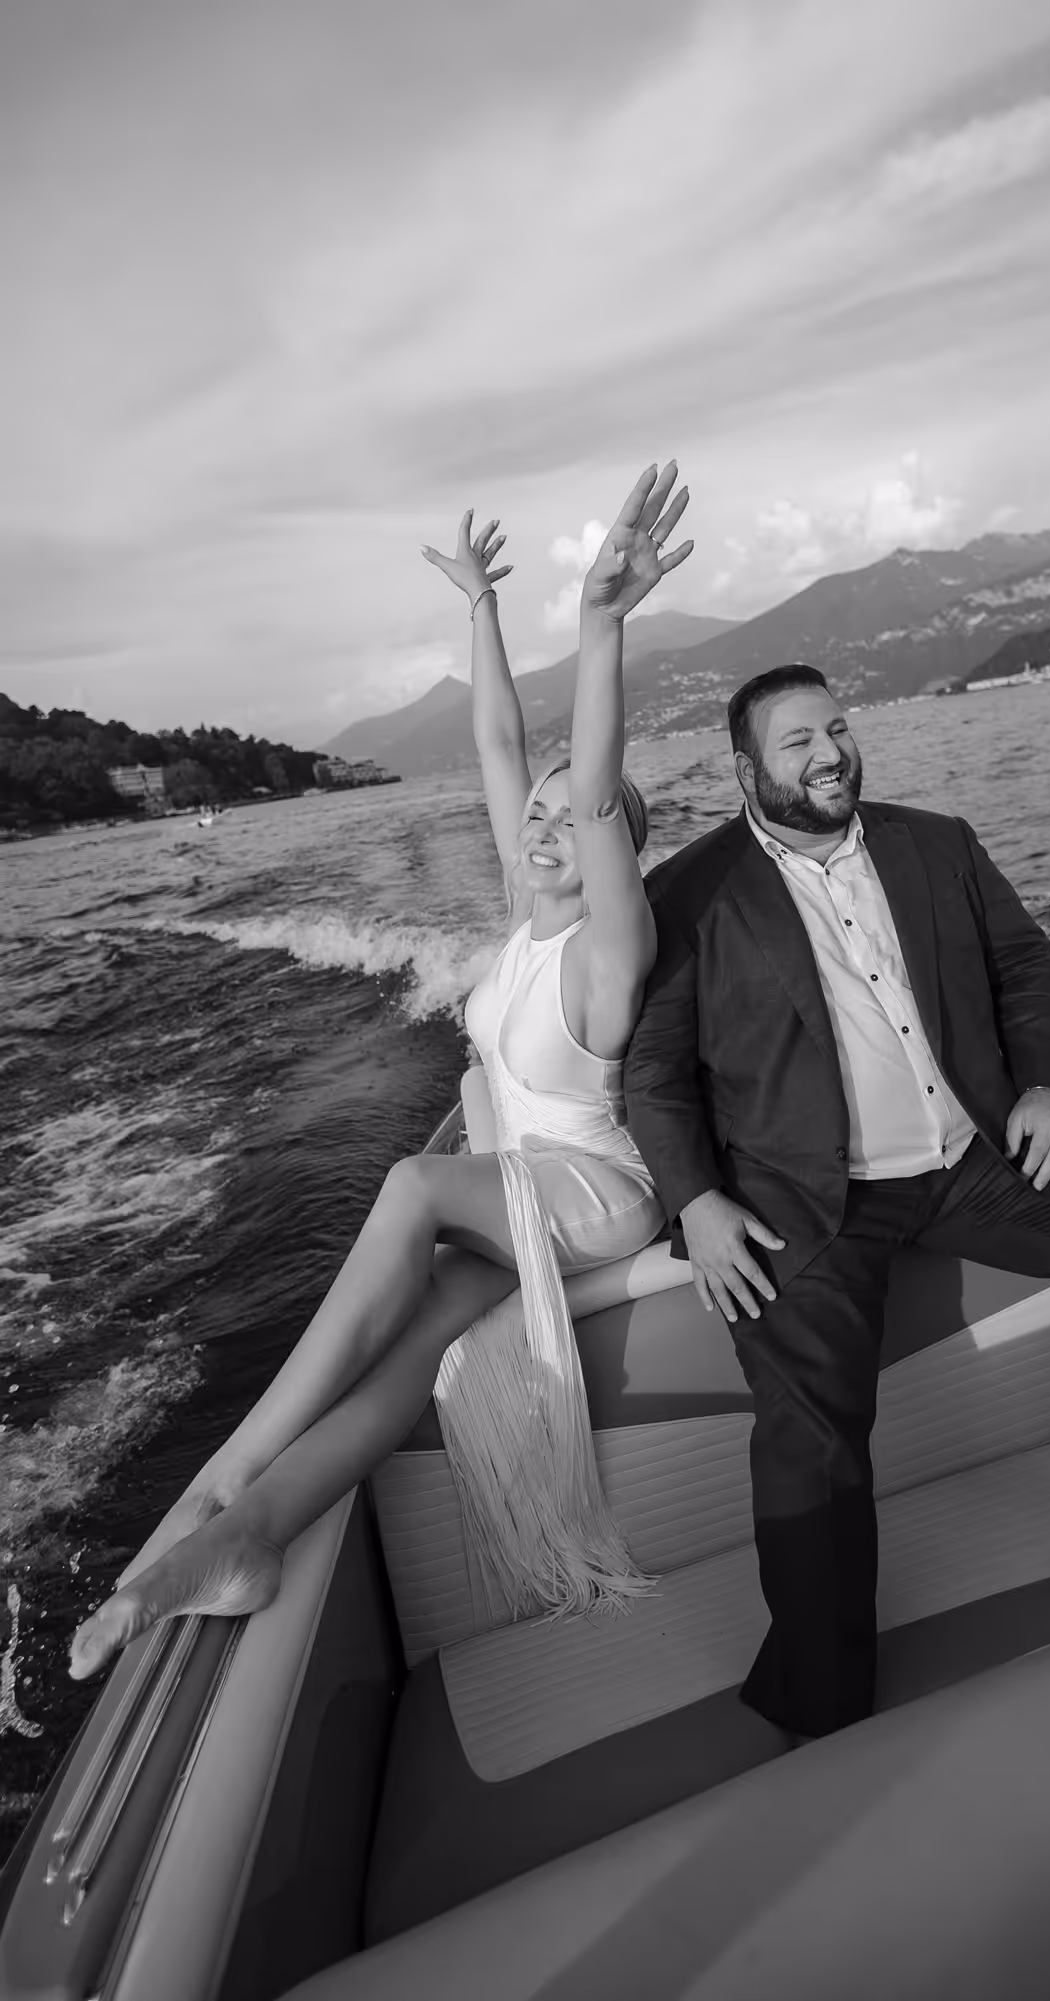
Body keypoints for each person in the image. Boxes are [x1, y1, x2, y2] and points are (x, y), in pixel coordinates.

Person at [70, 462, 693, 1680]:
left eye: (576, 818)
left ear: (612, 846)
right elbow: (503, 740)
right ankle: (248, 1540)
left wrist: (601, 620)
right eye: (539, 814)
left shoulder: (609, 951)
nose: (544, 824)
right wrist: (481, 608)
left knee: (411, 1184)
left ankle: (224, 1477)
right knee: (411, 1352)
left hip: (594, 1197)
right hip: (519, 1196)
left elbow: (584, 763)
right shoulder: (526, 911)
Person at [622, 662, 1050, 1742]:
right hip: (804, 1201)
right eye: (797, 741)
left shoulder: (934, 840)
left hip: (971, 1159)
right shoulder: (688, 892)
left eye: (838, 729)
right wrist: (696, 1202)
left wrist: (1044, 1089)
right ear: (744, 769)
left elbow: (1025, 969)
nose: (828, 755)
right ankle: (821, 1696)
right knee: (805, 1430)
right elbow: (654, 1077)